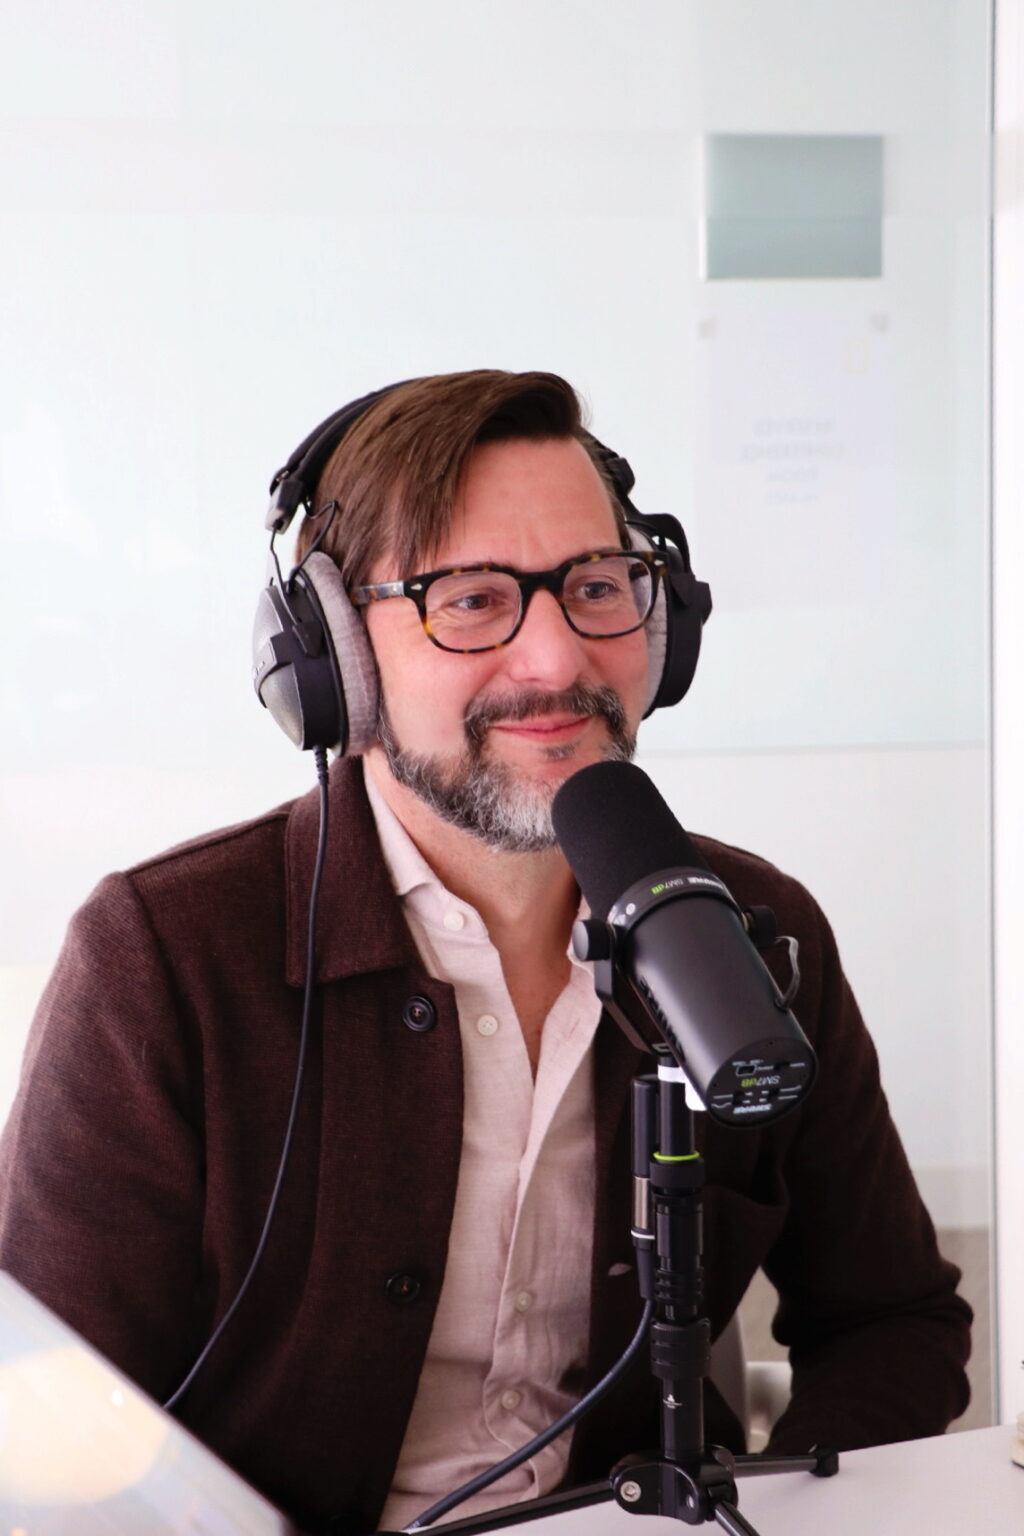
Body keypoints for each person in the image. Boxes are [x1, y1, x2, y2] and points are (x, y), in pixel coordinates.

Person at [0, 371, 970, 1534]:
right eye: (470, 601)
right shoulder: (164, 955)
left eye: (597, 585)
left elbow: (889, 1322)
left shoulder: (754, 926)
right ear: (332, 655)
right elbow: (47, 1424)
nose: (556, 661)